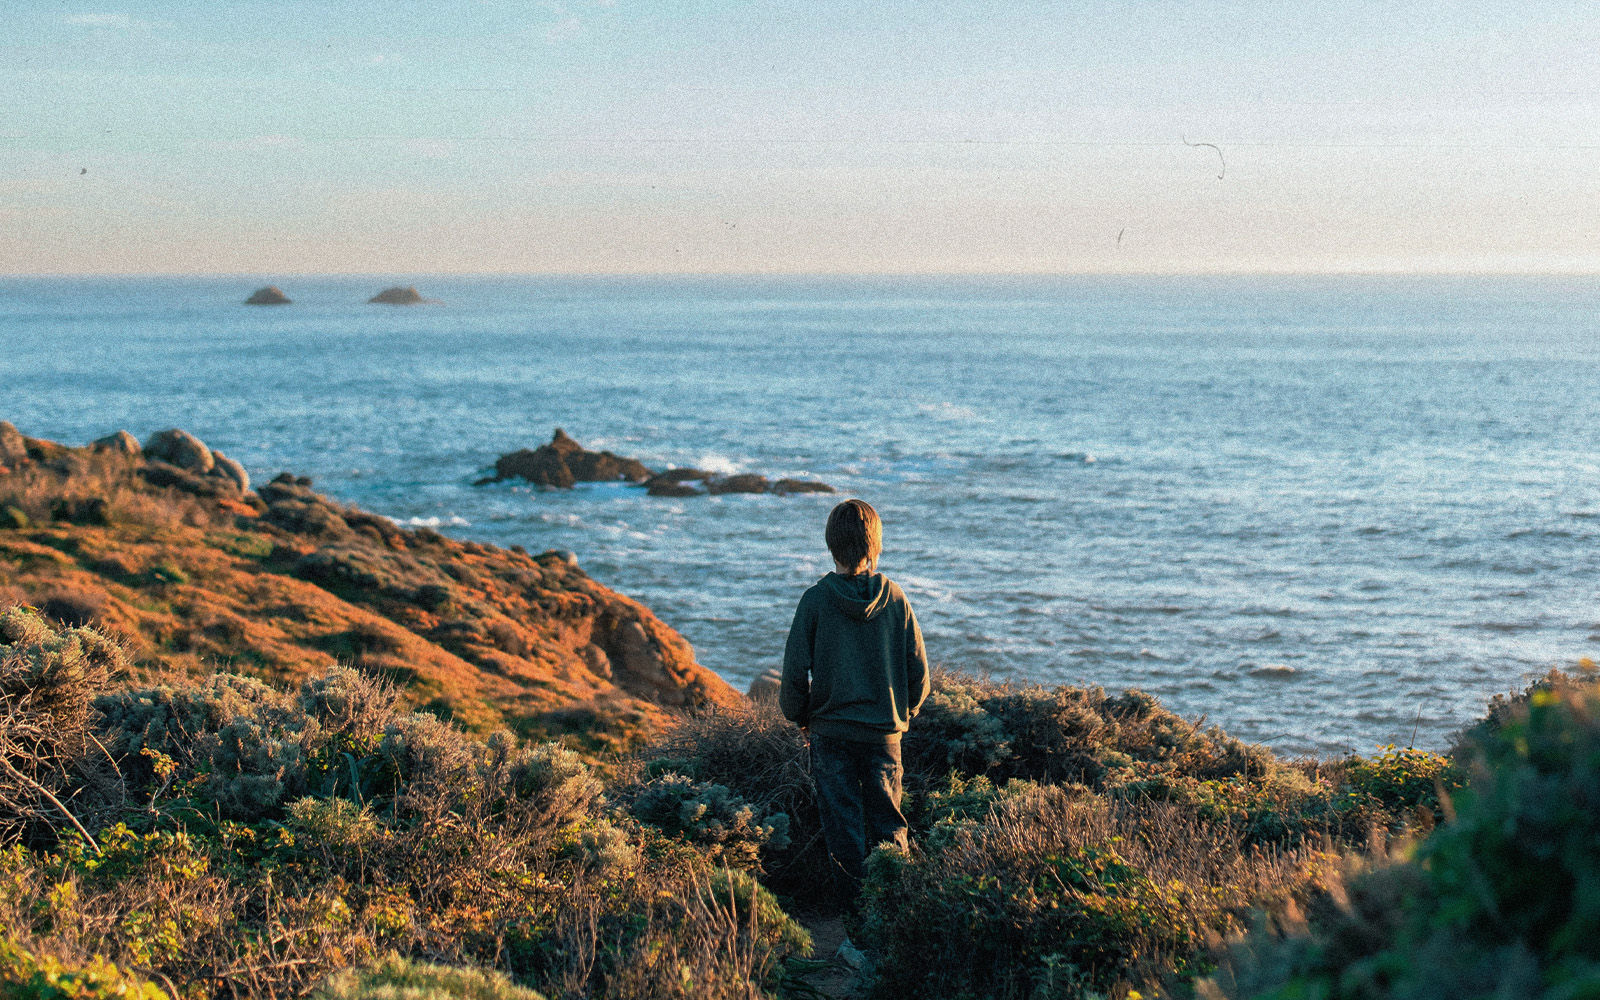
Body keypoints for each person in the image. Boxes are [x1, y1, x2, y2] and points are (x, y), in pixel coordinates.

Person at [780, 498, 930, 925]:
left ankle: (854, 927)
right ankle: (894, 922)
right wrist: (902, 716)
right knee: (890, 829)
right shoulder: (896, 599)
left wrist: (801, 716)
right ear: (875, 543)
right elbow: (919, 674)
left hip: (830, 737)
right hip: (884, 736)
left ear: (831, 545)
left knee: (843, 833)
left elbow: (793, 676)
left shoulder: (814, 600)